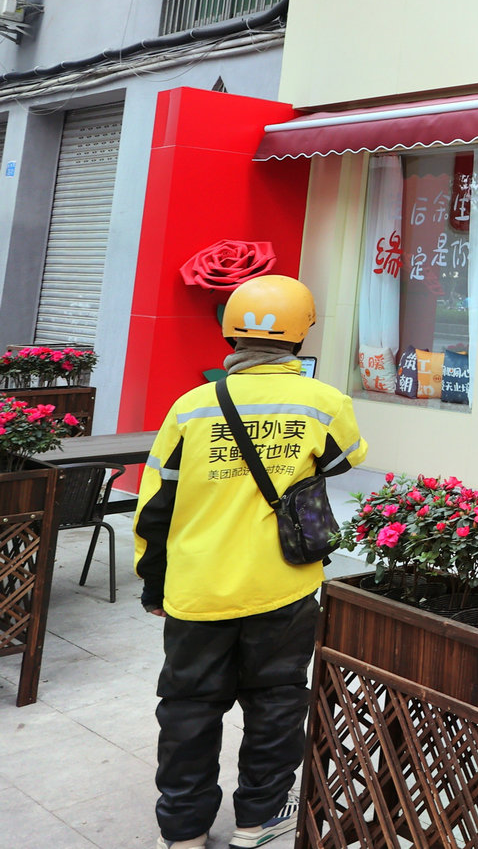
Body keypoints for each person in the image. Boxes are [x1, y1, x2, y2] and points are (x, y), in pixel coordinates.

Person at [134, 275, 367, 849]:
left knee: (188, 708)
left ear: (231, 333)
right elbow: (343, 460)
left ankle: (184, 832)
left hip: (197, 589)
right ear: (302, 334)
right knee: (277, 702)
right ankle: (256, 823)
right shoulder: (324, 402)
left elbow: (153, 507)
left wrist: (154, 584)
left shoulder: (191, 407)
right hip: (283, 587)